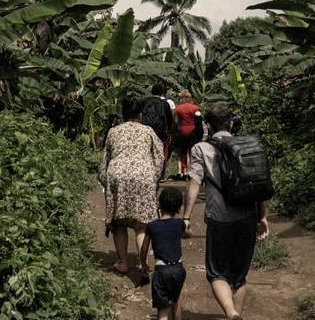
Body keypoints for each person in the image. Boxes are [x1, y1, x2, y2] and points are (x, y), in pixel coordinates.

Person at [181, 105, 268, 320]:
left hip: (219, 216)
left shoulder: (201, 149)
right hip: (247, 215)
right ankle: (236, 313)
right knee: (239, 276)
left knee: (217, 272)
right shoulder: (248, 145)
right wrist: (262, 216)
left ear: (208, 126)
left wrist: (186, 217)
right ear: (231, 122)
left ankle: (230, 312)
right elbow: (259, 183)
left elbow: (194, 184)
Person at [98, 97, 164, 276]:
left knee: (119, 222)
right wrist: (154, 179)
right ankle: (142, 264)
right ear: (140, 114)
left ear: (123, 113)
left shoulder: (113, 132)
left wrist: (106, 182)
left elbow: (105, 161)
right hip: (143, 176)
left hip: (117, 175)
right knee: (141, 224)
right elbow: (159, 158)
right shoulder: (148, 131)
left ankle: (122, 262)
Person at [140, 187, 187, 320]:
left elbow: (144, 248)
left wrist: (143, 264)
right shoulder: (179, 224)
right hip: (178, 269)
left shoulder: (152, 226)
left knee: (163, 309)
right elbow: (187, 234)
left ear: (159, 205)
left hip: (162, 270)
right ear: (178, 209)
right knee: (176, 301)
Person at [143, 82, 175, 181]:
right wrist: (170, 130)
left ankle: (147, 173)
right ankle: (161, 175)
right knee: (162, 153)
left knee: (147, 151)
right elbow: (170, 119)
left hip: (146, 131)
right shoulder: (165, 104)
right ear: (162, 93)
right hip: (161, 133)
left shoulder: (145, 102)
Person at [171, 89, 202, 179]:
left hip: (181, 131)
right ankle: (189, 172)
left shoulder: (178, 108)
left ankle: (181, 172)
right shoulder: (195, 108)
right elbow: (198, 119)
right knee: (190, 152)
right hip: (192, 131)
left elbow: (175, 121)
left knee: (182, 152)